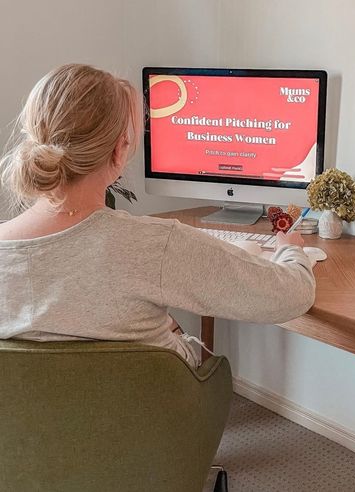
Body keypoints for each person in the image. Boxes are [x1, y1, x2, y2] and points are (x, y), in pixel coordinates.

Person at [0, 64, 315, 367]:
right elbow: (290, 296)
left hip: (25, 421)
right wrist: (291, 249)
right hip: (148, 415)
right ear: (119, 150)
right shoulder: (155, 245)